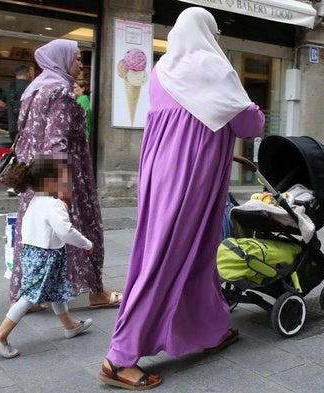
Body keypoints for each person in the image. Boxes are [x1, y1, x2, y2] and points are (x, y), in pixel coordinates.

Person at [98, 7, 265, 390]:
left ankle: (212, 328)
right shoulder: (212, 67)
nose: (218, 40)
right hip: (192, 180)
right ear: (206, 32)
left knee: (195, 257)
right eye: (216, 32)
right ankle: (118, 358)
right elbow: (249, 123)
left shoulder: (162, 70)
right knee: (167, 260)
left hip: (161, 175)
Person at [11, 39, 122, 310]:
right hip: (62, 176)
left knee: (35, 233)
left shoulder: (33, 91)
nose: (80, 63)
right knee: (83, 228)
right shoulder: (60, 91)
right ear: (60, 61)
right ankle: (97, 292)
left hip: (33, 175)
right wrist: (61, 190)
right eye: (75, 58)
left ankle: (30, 294)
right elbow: (56, 142)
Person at [0, 156, 94, 358]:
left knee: (56, 290)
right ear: (50, 181)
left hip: (34, 253)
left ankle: (70, 326)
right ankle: (0, 336)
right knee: (29, 297)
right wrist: (86, 244)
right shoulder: (53, 205)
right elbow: (65, 231)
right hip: (46, 256)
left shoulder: (35, 201)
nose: (68, 182)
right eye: (64, 178)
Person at [0, 64, 32, 197]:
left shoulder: (10, 87)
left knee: (17, 157)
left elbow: (2, 104)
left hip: (13, 128)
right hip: (28, 128)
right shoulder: (31, 86)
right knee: (27, 158)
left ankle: (12, 185)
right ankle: (19, 186)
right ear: (28, 74)